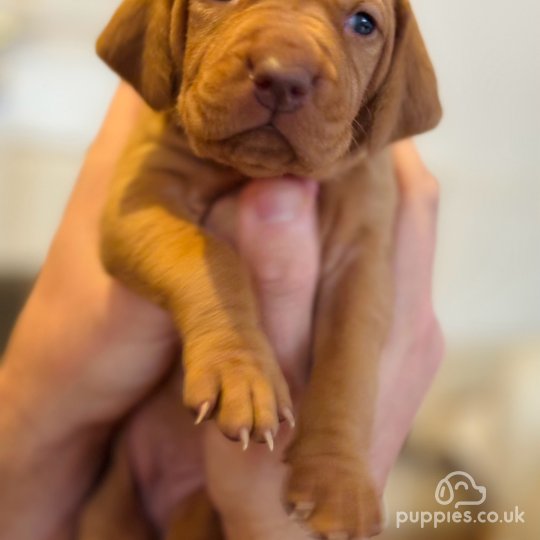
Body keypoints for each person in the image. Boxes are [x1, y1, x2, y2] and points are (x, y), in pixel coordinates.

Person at [0, 84, 444, 540]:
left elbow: (362, 291)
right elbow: (137, 220)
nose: (283, 68)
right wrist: (30, 424)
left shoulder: (368, 163)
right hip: (122, 474)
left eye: (361, 22)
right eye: (224, 4)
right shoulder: (172, 119)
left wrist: (335, 446)